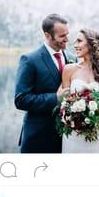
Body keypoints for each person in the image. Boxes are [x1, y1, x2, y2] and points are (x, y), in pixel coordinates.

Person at [14, 13, 74, 153]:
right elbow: (21, 100)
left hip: (67, 139)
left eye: (67, 34)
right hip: (38, 138)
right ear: (47, 35)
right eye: (62, 36)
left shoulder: (72, 58)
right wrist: (56, 98)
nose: (67, 39)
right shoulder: (29, 60)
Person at [61, 28, 99, 153]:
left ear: (90, 43)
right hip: (74, 134)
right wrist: (72, 121)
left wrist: (97, 125)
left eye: (79, 41)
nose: (75, 45)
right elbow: (64, 103)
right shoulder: (69, 70)